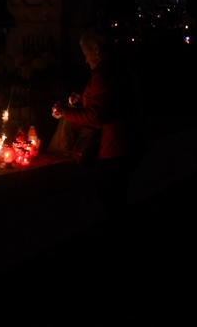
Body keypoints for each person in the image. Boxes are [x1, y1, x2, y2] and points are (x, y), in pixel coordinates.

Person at [52, 27, 138, 215]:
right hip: (127, 144)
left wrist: (66, 112)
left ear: (95, 49)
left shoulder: (102, 75)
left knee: (110, 199)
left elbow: (96, 116)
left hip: (113, 147)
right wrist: (82, 100)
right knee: (117, 198)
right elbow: (108, 101)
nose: (85, 59)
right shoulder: (115, 69)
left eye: (86, 53)